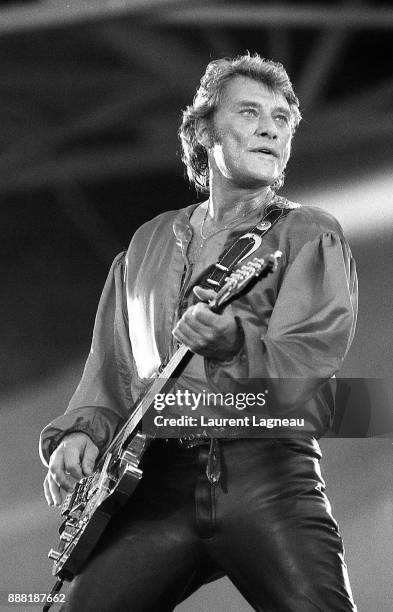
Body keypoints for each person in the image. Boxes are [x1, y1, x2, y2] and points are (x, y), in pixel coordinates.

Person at [40, 53, 358, 611]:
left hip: (265, 473)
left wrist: (235, 344)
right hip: (154, 482)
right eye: (250, 113)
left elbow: (309, 363)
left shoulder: (309, 232)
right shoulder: (144, 245)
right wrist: (81, 435)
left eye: (283, 119)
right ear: (203, 130)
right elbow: (111, 375)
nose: (271, 128)